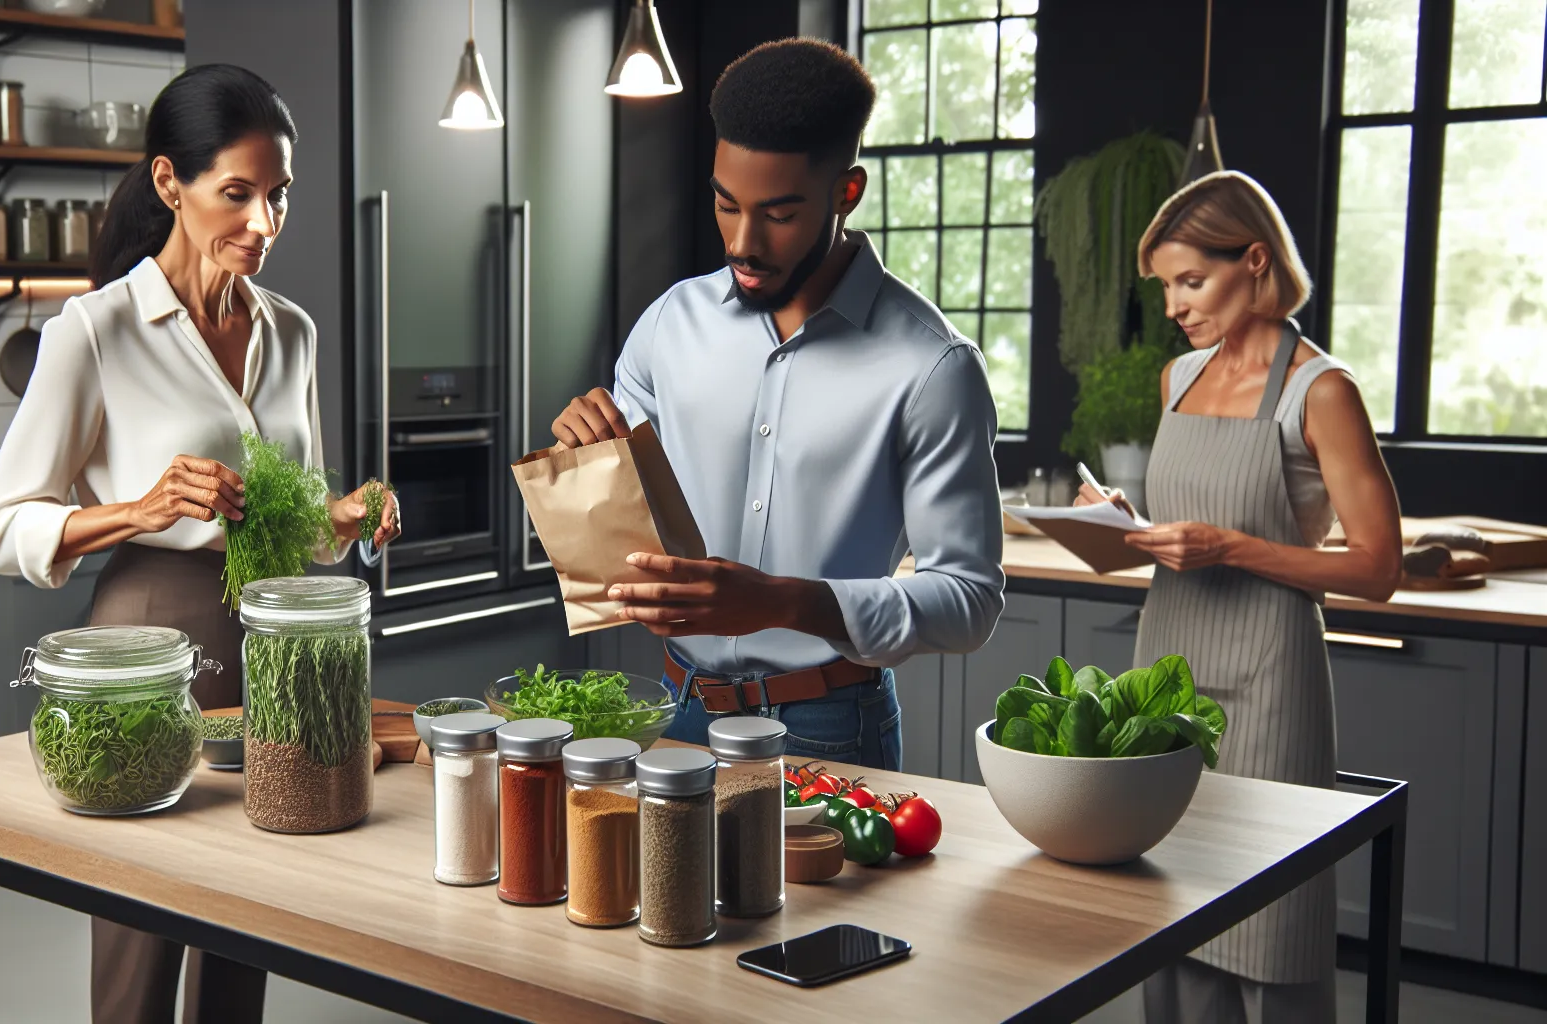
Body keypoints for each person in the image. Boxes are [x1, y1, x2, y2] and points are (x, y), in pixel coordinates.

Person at [0, 64, 398, 1024]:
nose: (263, 222)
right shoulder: (94, 332)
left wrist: (341, 517)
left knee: (250, 908)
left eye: (278, 195)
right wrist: (140, 506)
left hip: (277, 645)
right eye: (236, 194)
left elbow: (298, 524)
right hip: (151, 644)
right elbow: (1, 525)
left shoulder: (292, 332)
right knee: (141, 919)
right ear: (171, 184)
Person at [550, 39, 1004, 769]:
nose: (743, 241)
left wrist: (783, 603)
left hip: (829, 724)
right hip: (674, 711)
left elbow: (969, 599)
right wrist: (582, 463)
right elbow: (612, 552)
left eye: (780, 214)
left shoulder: (933, 366)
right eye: (726, 204)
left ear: (846, 193)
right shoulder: (671, 324)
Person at [1076, 171, 1401, 1024]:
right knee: (1171, 913)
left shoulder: (1321, 390)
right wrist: (1123, 525)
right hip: (1167, 670)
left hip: (1271, 678)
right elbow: (1186, 525)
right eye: (1167, 288)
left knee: (1273, 927)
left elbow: (1376, 566)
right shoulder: (1178, 377)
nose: (1177, 306)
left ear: (1254, 261)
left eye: (1192, 281)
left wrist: (1228, 548)